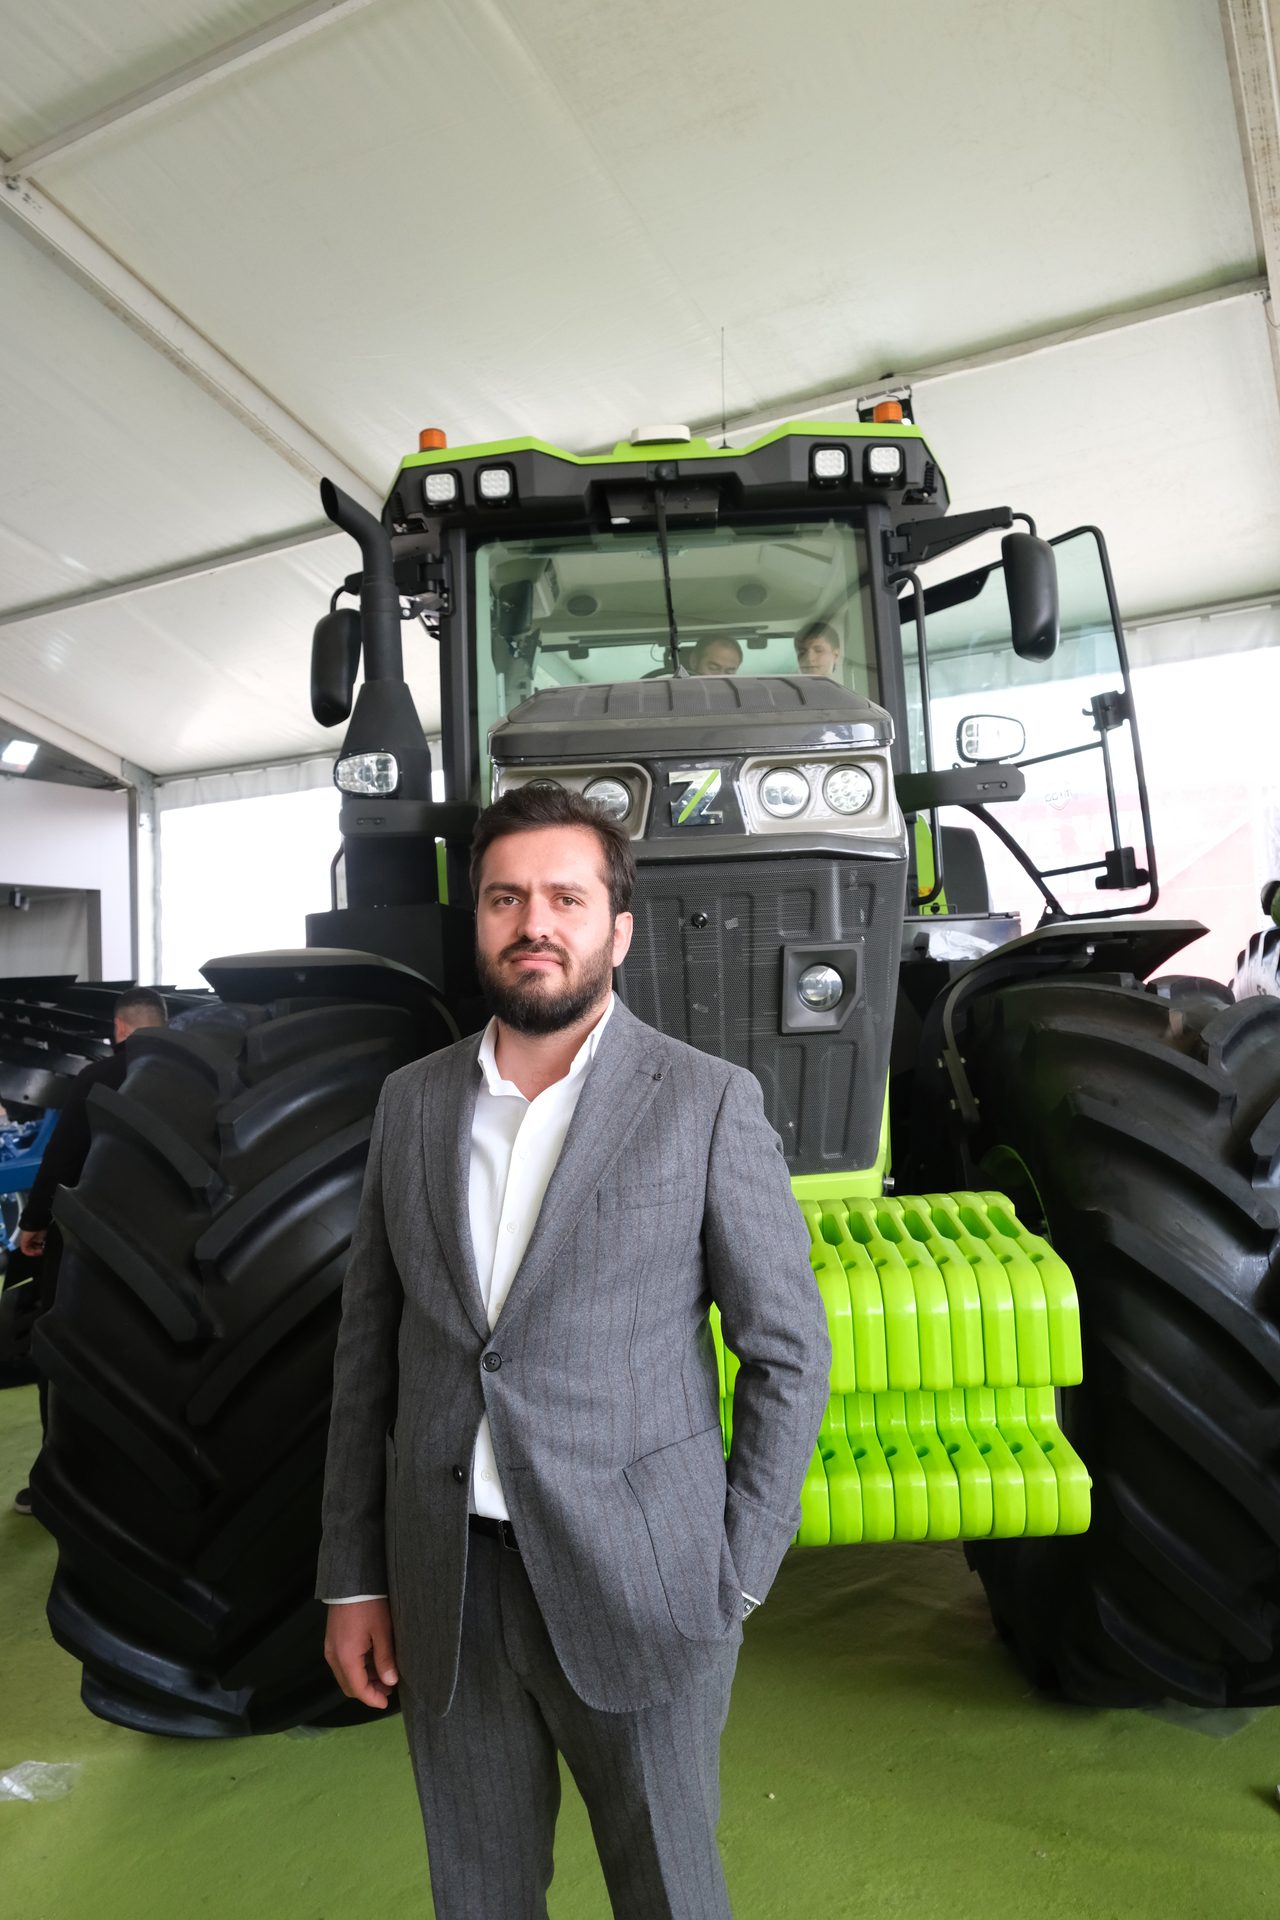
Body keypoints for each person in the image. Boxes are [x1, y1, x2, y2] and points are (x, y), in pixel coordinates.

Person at [319, 783, 830, 1920]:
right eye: (505, 899)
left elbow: (787, 1351)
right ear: (478, 921)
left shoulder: (705, 1102)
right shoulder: (411, 1105)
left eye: (565, 897)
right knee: (479, 1894)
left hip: (645, 1585)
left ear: (618, 929)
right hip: (448, 1583)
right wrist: (355, 1576)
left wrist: (738, 1569)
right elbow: (367, 1357)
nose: (533, 923)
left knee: (667, 1891)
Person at [12, 986, 168, 1515]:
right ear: (164, 1025)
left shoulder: (97, 1077)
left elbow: (61, 1158)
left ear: (118, 1028)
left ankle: (57, 1483)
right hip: (168, 1251)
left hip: (90, 1246)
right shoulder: (197, 1080)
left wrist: (33, 1223)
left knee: (60, 1353)